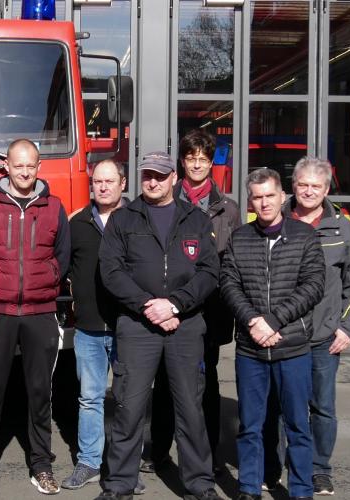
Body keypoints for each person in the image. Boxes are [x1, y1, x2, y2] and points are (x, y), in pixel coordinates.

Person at [95, 151, 221, 500]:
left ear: (173, 178)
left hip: (186, 324)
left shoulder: (195, 219)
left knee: (190, 409)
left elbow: (210, 272)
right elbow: (111, 271)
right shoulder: (123, 220)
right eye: (147, 175)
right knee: (128, 407)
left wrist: (176, 304)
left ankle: (199, 484)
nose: (153, 181)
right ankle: (119, 484)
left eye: (160, 175)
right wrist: (146, 306)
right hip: (138, 326)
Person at [0, 139, 70, 497]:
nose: (25, 172)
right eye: (18, 165)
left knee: (40, 393)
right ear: (7, 167)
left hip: (40, 313)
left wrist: (48, 278)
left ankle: (41, 465)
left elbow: (63, 255)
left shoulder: (54, 207)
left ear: (38, 167)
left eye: (31, 166)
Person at [219, 167, 325, 500]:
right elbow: (229, 284)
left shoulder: (304, 236)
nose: (264, 203)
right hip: (251, 351)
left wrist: (274, 321)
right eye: (257, 197)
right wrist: (253, 321)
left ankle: (301, 490)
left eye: (269, 196)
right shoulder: (240, 238)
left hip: (292, 346)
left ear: (282, 196)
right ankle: (249, 487)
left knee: (297, 425)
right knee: (250, 426)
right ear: (250, 201)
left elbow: (313, 285)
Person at [265, 157, 350, 496]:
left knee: (322, 406)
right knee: (278, 405)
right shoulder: (275, 218)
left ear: (326, 189)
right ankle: (276, 466)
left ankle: (319, 469)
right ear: (293, 186)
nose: (308, 191)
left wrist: (347, 327)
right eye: (302, 184)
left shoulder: (343, 226)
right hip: (284, 332)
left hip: (325, 335)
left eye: (316, 186)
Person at [144, 130, 240, 475]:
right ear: (182, 163)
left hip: (210, 306)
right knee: (165, 380)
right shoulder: (169, 198)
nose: (197, 164)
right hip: (170, 301)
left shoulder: (227, 208)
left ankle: (209, 452)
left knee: (207, 381)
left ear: (210, 162)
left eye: (203, 158)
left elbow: (232, 260)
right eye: (191, 158)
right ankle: (159, 451)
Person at [61, 159, 127, 491]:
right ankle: (89, 462)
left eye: (109, 181)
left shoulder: (135, 220)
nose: (102, 187)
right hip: (87, 327)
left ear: (122, 183)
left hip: (128, 327)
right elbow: (62, 266)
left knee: (128, 399)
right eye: (97, 181)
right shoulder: (78, 223)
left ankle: (123, 468)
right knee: (90, 398)